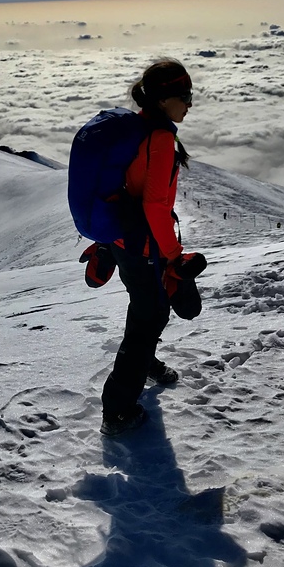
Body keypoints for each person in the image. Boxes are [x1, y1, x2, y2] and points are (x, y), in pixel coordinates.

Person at [100, 57, 193, 437]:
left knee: (146, 308)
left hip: (125, 238)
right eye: (185, 96)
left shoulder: (139, 128)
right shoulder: (158, 137)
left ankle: (146, 363)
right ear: (164, 98)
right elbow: (155, 205)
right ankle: (117, 411)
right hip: (143, 244)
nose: (190, 104)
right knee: (150, 314)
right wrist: (174, 256)